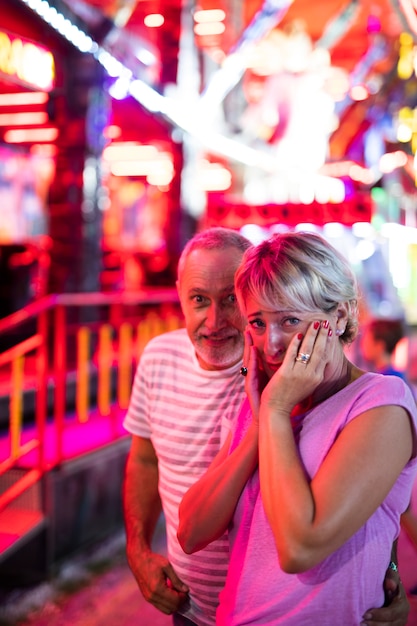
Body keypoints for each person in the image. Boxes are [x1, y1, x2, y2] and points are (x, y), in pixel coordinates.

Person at [123, 227, 409, 626]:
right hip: (210, 613)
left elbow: (306, 544)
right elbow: (190, 531)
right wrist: (266, 419)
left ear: (339, 315)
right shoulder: (263, 395)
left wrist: (388, 572)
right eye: (257, 322)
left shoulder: (376, 402)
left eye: (290, 319)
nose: (272, 344)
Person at [361, 317, 417, 595]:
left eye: (367, 338)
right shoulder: (394, 377)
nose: (362, 343)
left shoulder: (387, 383)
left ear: (379, 344)